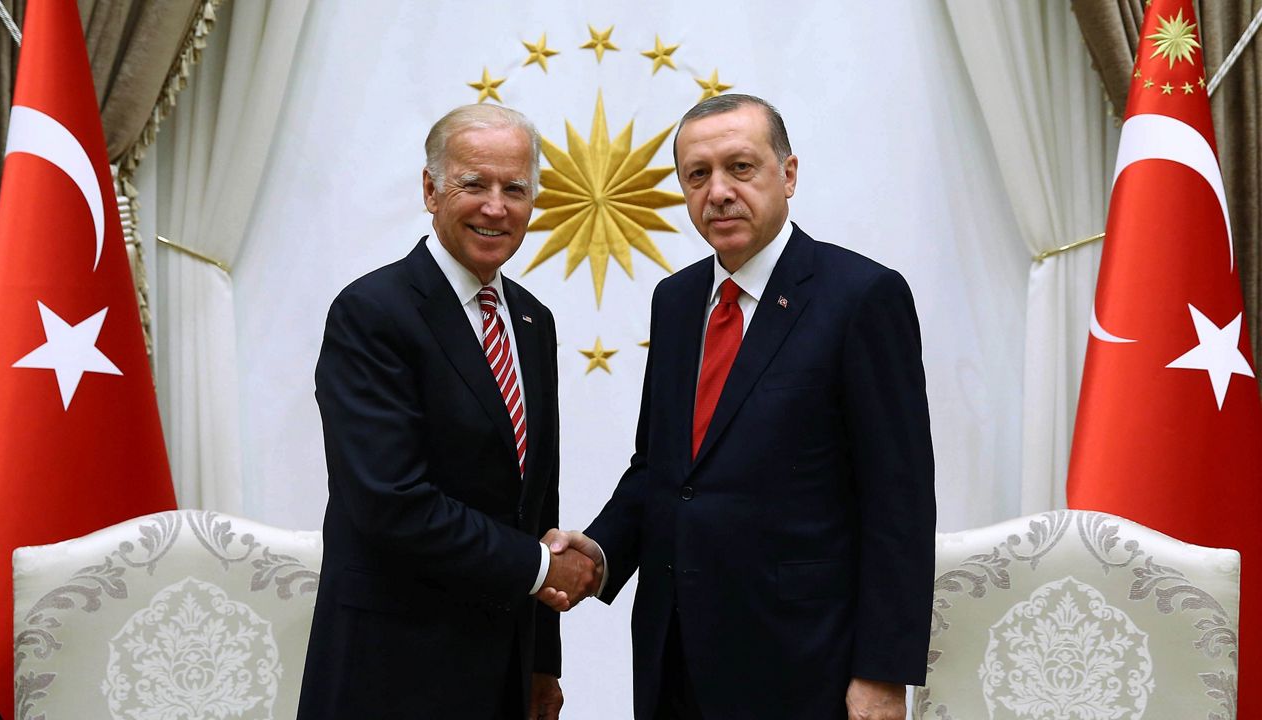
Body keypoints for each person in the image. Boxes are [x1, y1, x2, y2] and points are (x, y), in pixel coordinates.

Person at [542, 94, 936, 720]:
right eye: (698, 175)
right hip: (674, 652)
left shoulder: (862, 297)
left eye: (741, 167)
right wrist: (599, 551)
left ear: (789, 173)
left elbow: (899, 502)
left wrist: (883, 673)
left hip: (805, 663)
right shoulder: (675, 301)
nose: (719, 191)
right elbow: (664, 470)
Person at [298, 104, 599, 720]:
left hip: (503, 671)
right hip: (393, 667)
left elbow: (537, 503)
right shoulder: (372, 313)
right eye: (474, 184)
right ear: (431, 190)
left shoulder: (532, 320)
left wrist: (543, 663)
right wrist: (543, 567)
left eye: (515, 188)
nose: (496, 206)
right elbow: (391, 500)